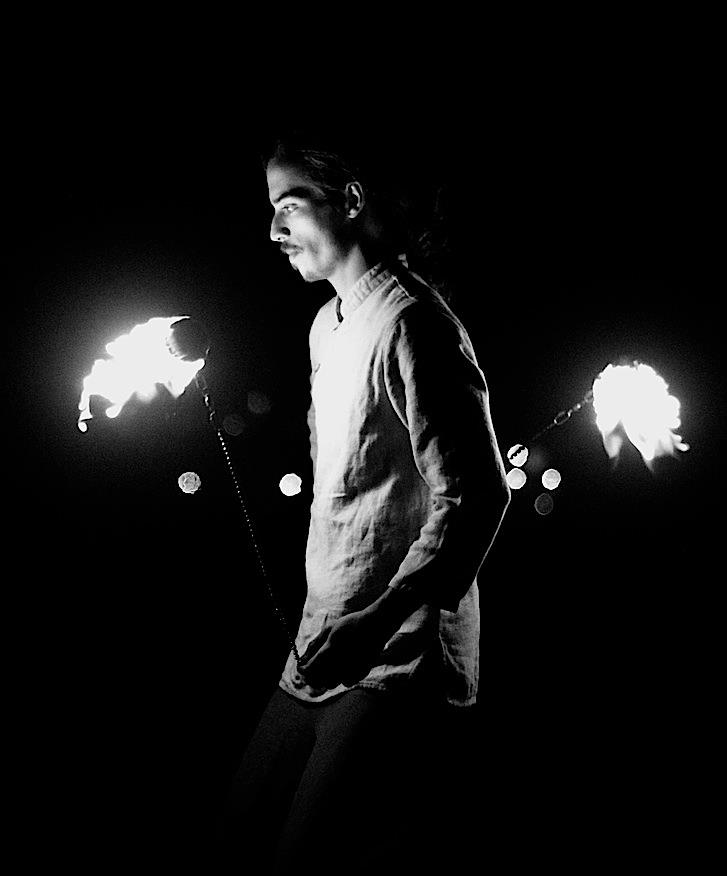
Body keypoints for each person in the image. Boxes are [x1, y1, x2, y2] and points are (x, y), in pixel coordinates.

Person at [215, 132, 511, 873]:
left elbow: (476, 496)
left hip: (399, 660)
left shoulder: (415, 323)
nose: (273, 231)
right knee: (234, 842)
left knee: (305, 870)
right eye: (270, 210)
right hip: (322, 647)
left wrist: (374, 620)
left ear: (348, 200)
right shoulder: (327, 324)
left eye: (289, 206)